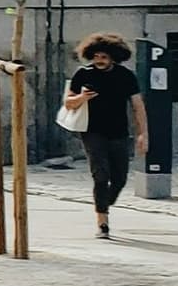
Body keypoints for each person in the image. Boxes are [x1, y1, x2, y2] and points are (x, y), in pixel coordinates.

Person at [63, 33, 147, 238]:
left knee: (119, 179)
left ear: (113, 58)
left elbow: (137, 106)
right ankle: (102, 222)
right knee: (100, 175)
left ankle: (103, 202)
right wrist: (82, 97)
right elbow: (68, 103)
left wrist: (143, 133)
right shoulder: (83, 74)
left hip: (119, 132)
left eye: (104, 57)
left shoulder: (126, 76)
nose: (99, 61)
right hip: (92, 131)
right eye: (96, 57)